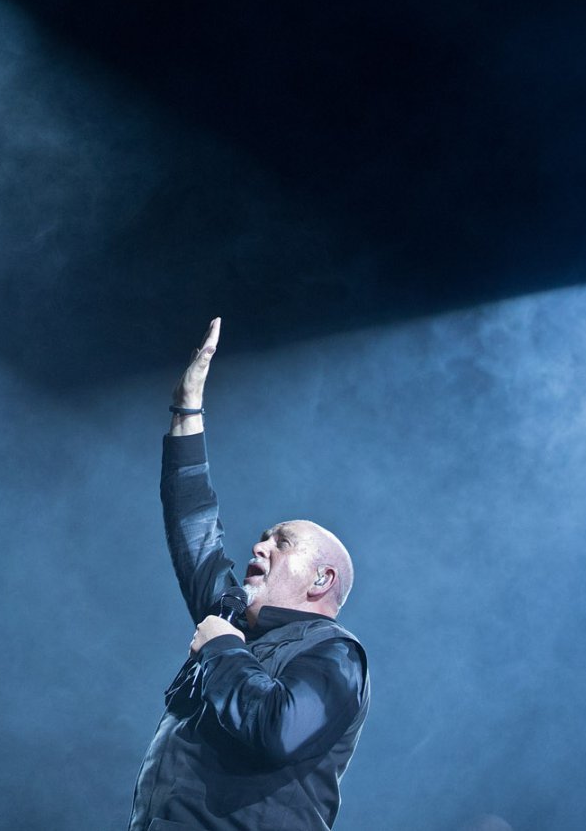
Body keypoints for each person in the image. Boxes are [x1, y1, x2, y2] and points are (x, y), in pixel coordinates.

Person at [129, 318, 370, 831]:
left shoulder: (334, 653)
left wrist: (221, 649)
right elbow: (195, 531)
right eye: (263, 536)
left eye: (282, 541)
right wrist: (186, 409)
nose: (258, 546)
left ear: (321, 580)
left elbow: (279, 730)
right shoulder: (236, 623)